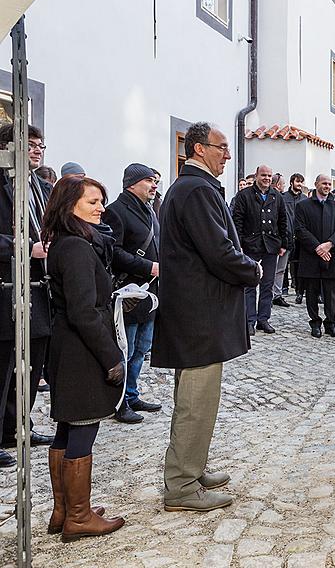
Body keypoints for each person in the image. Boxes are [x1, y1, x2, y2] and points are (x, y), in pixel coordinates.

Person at [153, 122, 261, 512]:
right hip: (198, 314)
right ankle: (182, 485)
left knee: (195, 398)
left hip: (194, 312)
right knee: (196, 401)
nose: (228, 155)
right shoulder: (196, 189)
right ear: (199, 149)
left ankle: (190, 469)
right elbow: (218, 251)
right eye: (222, 147)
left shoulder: (190, 187)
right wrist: (253, 271)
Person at [42, 174, 126, 541]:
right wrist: (112, 356)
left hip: (68, 345)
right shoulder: (75, 247)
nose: (100, 207)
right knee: (83, 426)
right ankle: (78, 516)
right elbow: (83, 311)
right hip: (80, 350)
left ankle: (65, 511)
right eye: (92, 201)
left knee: (67, 426)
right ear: (69, 205)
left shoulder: (66, 242)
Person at [0, 124, 54, 468]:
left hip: (39, 286)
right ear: (7, 148)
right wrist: (21, 247)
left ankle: (19, 425)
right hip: (6, 286)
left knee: (31, 364)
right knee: (4, 365)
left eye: (40, 145)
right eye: (29, 145)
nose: (37, 150)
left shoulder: (41, 187)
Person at [104, 163, 163, 424]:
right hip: (128, 291)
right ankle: (119, 403)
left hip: (149, 292)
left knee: (141, 348)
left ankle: (132, 393)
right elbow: (114, 252)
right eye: (149, 181)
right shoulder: (116, 211)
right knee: (124, 351)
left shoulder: (149, 210)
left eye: (154, 181)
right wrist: (148, 266)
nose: (154, 185)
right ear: (132, 183)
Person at [231, 165, 289, 335]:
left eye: (269, 175)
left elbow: (283, 221)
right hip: (250, 245)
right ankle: (250, 320)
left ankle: (264, 319)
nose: (266, 178)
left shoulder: (277, 196)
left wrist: (283, 244)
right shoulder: (244, 196)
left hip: (271, 245)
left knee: (267, 284)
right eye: (263, 175)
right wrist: (238, 244)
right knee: (250, 283)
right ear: (256, 175)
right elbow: (238, 221)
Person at [295, 174, 335, 338]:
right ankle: (315, 323)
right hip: (311, 255)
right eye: (324, 183)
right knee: (311, 291)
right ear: (316, 184)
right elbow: (300, 229)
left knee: (331, 294)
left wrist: (329, 245)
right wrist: (317, 247)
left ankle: (331, 324)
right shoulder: (303, 206)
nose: (327, 186)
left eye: (329, 184)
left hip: (331, 256)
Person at [270, 173, 292, 307]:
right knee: (273, 270)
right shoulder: (274, 199)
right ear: (278, 185)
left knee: (281, 270)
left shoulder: (282, 198)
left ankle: (276, 294)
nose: (284, 186)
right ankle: (270, 294)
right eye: (283, 184)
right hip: (276, 241)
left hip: (286, 239)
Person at [284, 173, 307, 304]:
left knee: (299, 265)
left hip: (300, 237)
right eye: (298, 182)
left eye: (301, 182)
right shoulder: (284, 198)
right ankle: (284, 288)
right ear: (292, 182)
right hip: (288, 235)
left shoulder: (304, 199)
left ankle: (299, 292)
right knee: (287, 265)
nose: (300, 184)